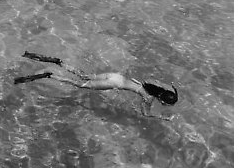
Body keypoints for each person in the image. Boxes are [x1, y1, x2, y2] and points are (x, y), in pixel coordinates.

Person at [19, 51, 178, 120]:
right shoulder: (149, 98)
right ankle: (50, 75)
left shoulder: (150, 86)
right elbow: (145, 114)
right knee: (80, 84)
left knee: (84, 75)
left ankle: (59, 62)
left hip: (116, 75)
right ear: (163, 101)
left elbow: (145, 83)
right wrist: (161, 118)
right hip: (114, 82)